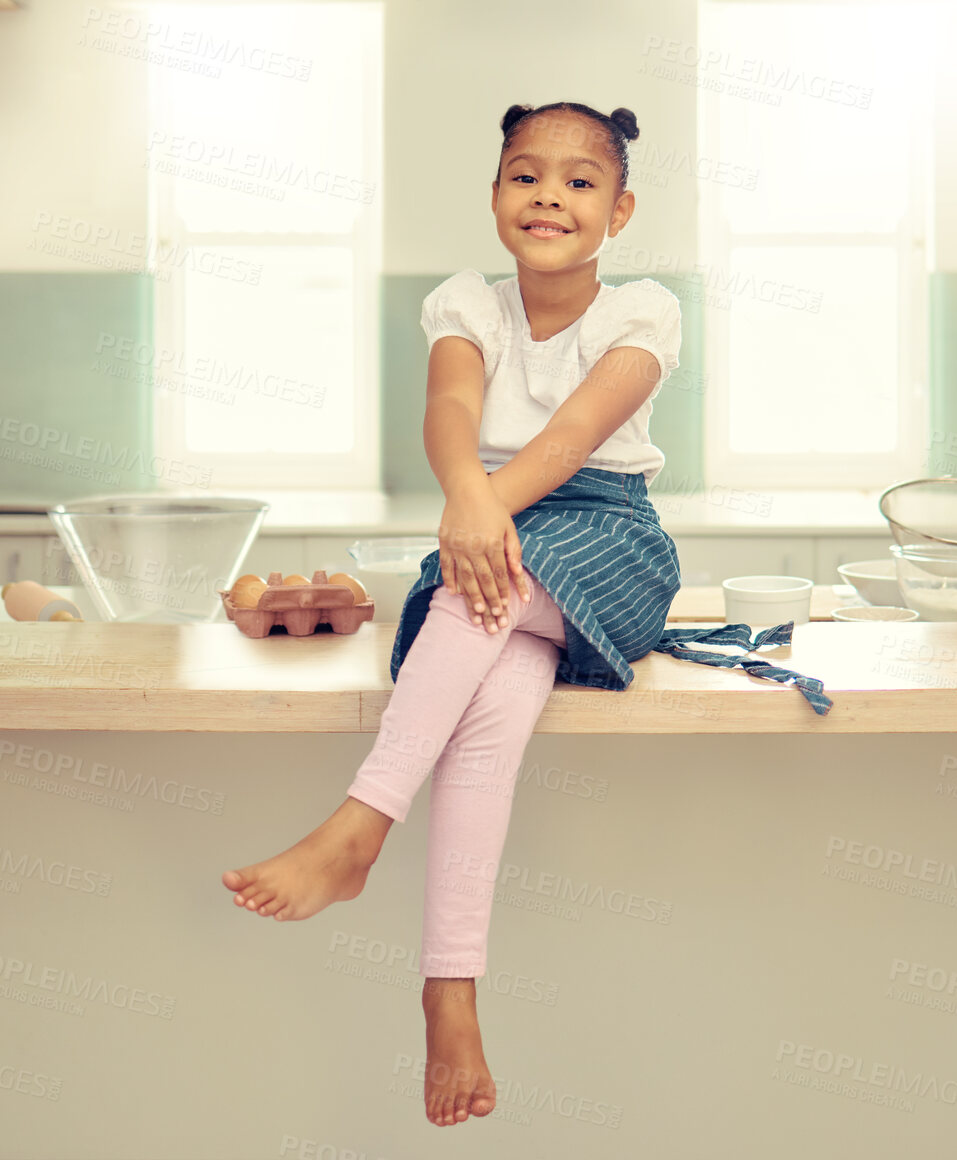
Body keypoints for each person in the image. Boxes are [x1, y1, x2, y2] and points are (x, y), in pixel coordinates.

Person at [222, 99, 707, 1128]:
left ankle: (359, 825)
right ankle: (451, 987)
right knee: (496, 696)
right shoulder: (465, 304)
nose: (550, 196)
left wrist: (483, 511)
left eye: (581, 182)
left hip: (605, 532)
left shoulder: (645, 311)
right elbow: (450, 412)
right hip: (487, 526)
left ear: (619, 212)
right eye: (526, 175)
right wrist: (471, 500)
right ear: (494, 197)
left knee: (470, 596)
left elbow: (577, 434)